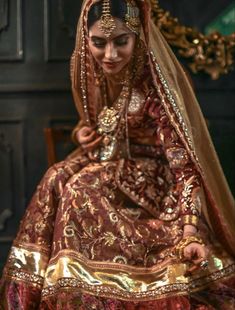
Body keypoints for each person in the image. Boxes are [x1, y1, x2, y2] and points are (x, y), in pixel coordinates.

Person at [1, 0, 235, 309]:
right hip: (110, 164)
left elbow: (184, 164)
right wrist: (81, 133)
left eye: (121, 42)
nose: (109, 55)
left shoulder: (154, 89)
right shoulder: (97, 75)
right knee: (56, 175)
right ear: (86, 39)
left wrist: (190, 230)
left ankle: (83, 294)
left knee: (80, 190)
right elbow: (99, 122)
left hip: (154, 180)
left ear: (137, 38)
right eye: (98, 43)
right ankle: (33, 294)